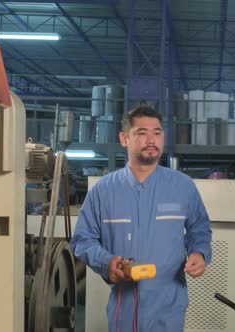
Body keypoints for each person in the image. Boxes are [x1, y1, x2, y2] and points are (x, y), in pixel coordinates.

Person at [70, 105, 212, 332]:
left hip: (169, 306)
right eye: (141, 133)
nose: (151, 139)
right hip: (123, 307)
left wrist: (199, 252)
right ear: (124, 138)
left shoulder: (182, 186)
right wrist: (106, 261)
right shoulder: (103, 191)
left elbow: (199, 229)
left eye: (157, 133)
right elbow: (82, 240)